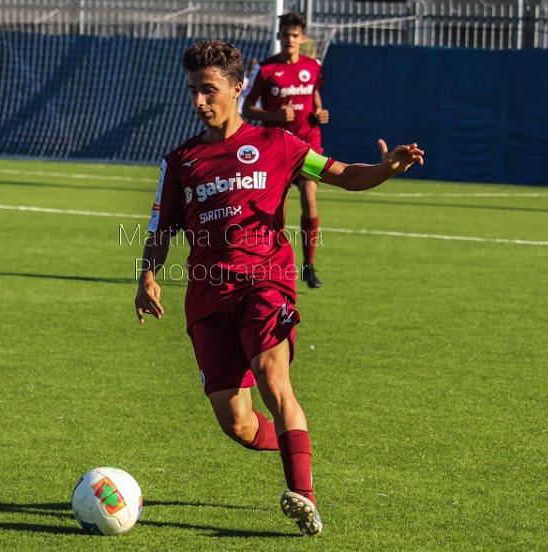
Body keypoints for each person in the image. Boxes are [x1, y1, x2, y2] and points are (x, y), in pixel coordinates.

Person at [134, 40, 423, 536]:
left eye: (209, 90)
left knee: (274, 380)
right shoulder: (180, 161)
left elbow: (343, 175)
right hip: (208, 296)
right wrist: (147, 275)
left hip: (265, 283)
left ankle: (303, 493)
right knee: (238, 424)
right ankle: (294, 440)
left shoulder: (279, 144)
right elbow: (161, 228)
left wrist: (385, 169)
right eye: (193, 90)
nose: (199, 101)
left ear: (237, 88)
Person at [242, 12, 328, 289]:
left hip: (307, 143)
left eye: (295, 35)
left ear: (303, 38)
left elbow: (314, 94)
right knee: (276, 209)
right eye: (286, 35)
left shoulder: (312, 66)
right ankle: (272, 264)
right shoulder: (266, 69)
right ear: (278, 36)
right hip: (276, 146)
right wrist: (275, 116)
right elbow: (247, 109)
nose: (290, 39)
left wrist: (320, 110)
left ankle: (309, 265)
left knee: (309, 194)